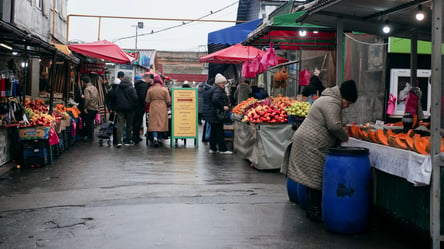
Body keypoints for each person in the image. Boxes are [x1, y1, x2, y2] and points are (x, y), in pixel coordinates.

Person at [283, 80, 358, 222]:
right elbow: (334, 126)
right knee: (315, 178)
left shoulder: (328, 99)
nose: (347, 106)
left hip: (308, 140)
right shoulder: (332, 103)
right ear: (343, 97)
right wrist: (345, 136)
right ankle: (315, 211)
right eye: (348, 103)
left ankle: (313, 210)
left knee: (311, 178)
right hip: (312, 143)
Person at [108, 76, 138, 148]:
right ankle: (127, 140)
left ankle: (119, 141)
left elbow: (115, 98)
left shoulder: (118, 88)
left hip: (120, 109)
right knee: (129, 125)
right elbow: (135, 98)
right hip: (130, 109)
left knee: (120, 125)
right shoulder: (131, 88)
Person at [206, 73, 232, 154]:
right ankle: (222, 149)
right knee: (219, 131)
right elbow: (215, 100)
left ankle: (213, 148)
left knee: (214, 132)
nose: (224, 84)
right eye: (223, 83)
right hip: (216, 114)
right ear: (219, 83)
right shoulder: (218, 90)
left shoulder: (214, 89)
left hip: (212, 114)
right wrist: (223, 107)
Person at [145, 74, 171, 147]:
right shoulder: (164, 89)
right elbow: (168, 100)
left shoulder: (150, 89)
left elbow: (147, 100)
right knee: (161, 122)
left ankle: (155, 137)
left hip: (153, 107)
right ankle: (159, 138)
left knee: (154, 123)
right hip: (162, 107)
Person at [133, 74, 153, 144]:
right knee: (138, 121)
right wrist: (144, 104)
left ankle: (135, 136)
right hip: (140, 106)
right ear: (146, 78)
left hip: (135, 105)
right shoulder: (144, 86)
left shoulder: (137, 85)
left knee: (136, 121)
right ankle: (136, 137)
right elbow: (142, 96)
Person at [80, 75, 99, 142]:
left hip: (90, 108)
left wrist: (85, 107)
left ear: (84, 82)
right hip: (95, 108)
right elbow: (97, 98)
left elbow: (87, 99)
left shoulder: (86, 89)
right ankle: (90, 136)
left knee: (88, 123)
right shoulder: (95, 88)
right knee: (91, 123)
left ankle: (89, 137)